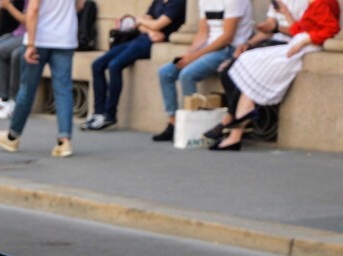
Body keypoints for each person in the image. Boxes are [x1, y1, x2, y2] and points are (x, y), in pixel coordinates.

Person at [209, 0, 338, 150]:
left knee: (252, 66)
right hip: (298, 45)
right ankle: (237, 131)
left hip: (302, 49)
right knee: (249, 68)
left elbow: (331, 29)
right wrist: (285, 13)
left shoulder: (322, 2)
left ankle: (236, 129)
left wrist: (304, 42)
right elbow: (299, 29)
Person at [0, 0, 82, 158]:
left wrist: (31, 44)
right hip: (65, 38)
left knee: (27, 89)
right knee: (63, 89)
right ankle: (64, 140)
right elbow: (79, 5)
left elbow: (32, 9)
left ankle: (13, 136)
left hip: (40, 38)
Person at [152, 0, 254, 142]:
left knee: (187, 75)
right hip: (206, 49)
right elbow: (202, 33)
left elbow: (227, 37)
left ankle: (192, 127)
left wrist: (194, 56)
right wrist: (189, 54)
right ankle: (173, 123)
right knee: (165, 72)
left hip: (228, 49)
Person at [82, 0, 186, 130]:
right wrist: (150, 29)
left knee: (114, 65)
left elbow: (158, 24)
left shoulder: (178, 2)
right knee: (97, 64)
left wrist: (145, 24)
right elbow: (140, 23)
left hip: (151, 46)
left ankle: (109, 115)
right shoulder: (158, 1)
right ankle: (98, 113)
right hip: (141, 39)